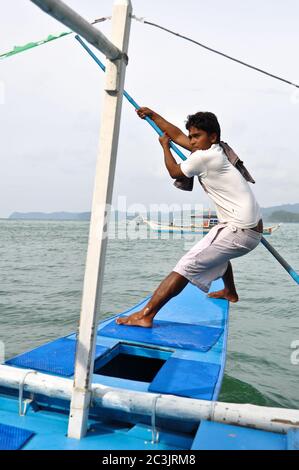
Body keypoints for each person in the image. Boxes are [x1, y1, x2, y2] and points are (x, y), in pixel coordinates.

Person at [116, 107, 263, 328]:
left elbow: (175, 171)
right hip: (249, 231)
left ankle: (146, 314)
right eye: (191, 136)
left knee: (186, 265)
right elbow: (177, 134)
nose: (192, 142)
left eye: (196, 136)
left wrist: (165, 148)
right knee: (218, 250)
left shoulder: (205, 157)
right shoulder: (218, 150)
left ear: (212, 136)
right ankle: (230, 291)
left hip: (239, 230)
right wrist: (153, 116)